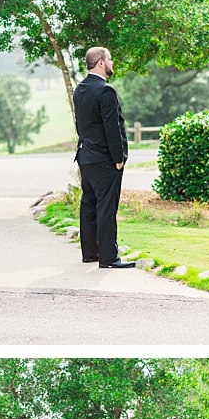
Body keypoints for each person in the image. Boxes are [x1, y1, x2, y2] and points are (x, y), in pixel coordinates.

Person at [72, 47, 133, 269]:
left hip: (85, 155)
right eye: (110, 59)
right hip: (104, 159)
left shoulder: (80, 89)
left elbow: (80, 124)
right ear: (100, 63)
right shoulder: (106, 91)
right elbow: (112, 128)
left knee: (89, 204)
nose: (112, 63)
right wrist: (119, 157)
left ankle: (90, 253)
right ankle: (109, 258)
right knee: (106, 207)